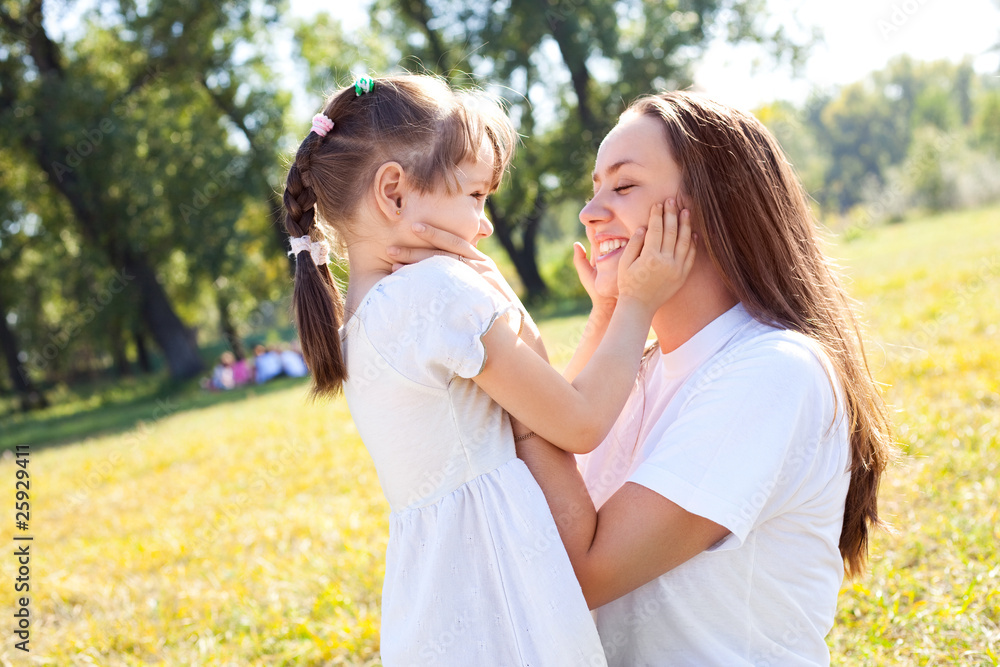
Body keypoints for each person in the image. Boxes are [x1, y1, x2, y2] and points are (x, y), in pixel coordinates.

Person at [394, 91, 894, 666]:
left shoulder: (776, 372)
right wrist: (608, 315)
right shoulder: (640, 367)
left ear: (713, 208)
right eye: (595, 187)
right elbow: (533, 503)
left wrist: (501, 353)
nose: (590, 212)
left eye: (624, 186)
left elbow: (576, 574)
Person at [281, 74, 695, 666]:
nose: (486, 225)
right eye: (475, 196)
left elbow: (545, 407)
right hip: (502, 590)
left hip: (439, 602)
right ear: (394, 193)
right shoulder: (435, 292)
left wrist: (593, 311)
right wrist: (637, 302)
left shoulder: (371, 319)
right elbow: (578, 423)